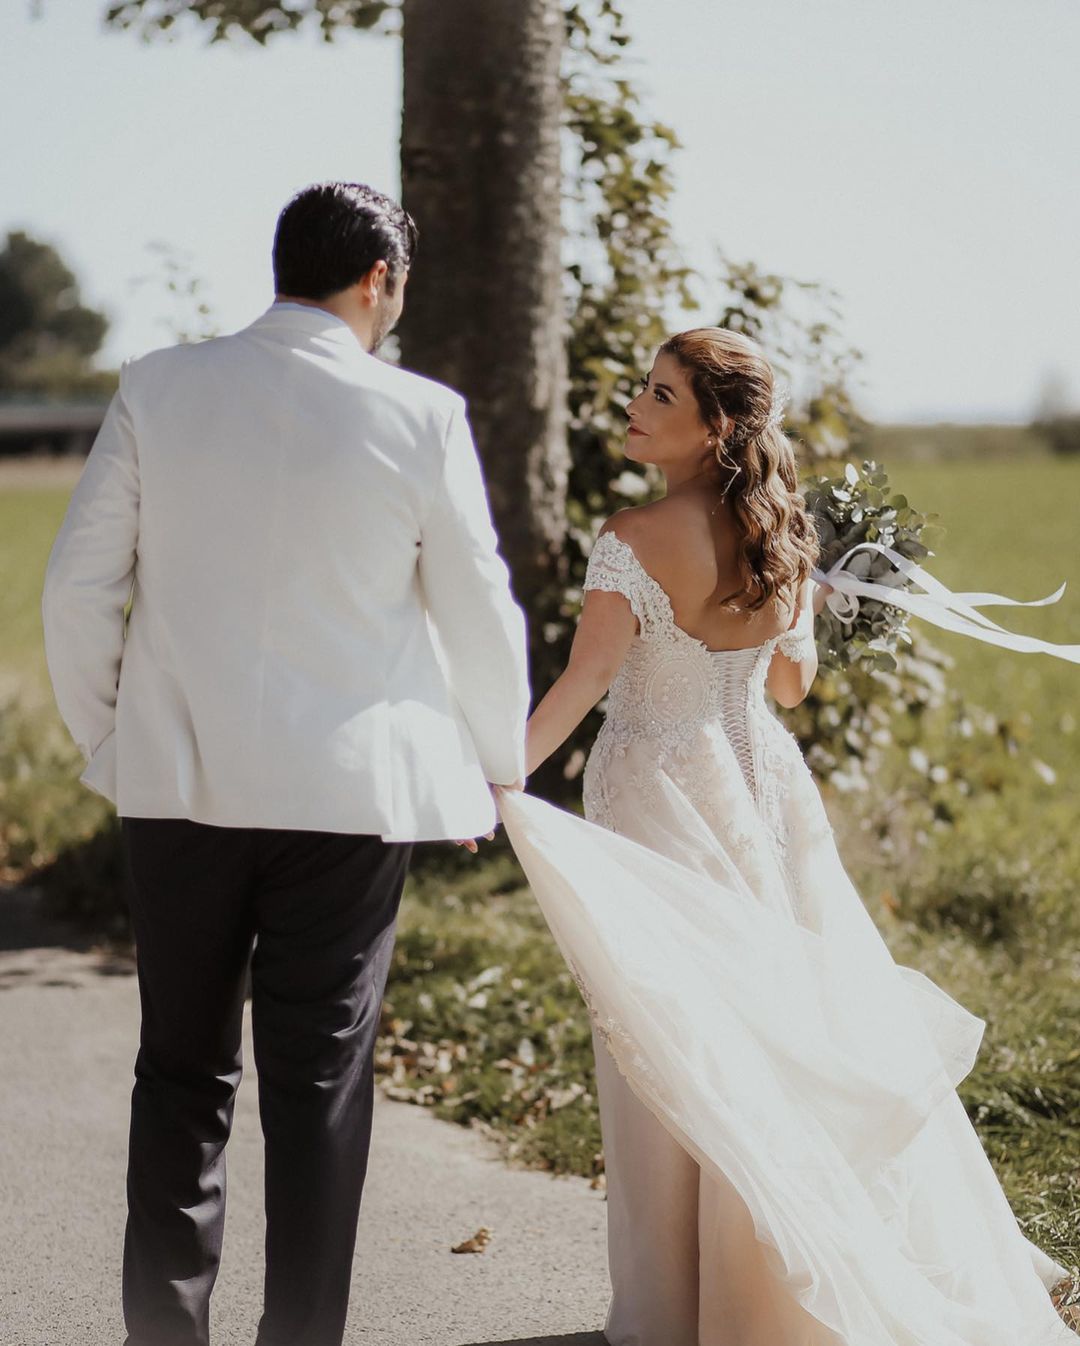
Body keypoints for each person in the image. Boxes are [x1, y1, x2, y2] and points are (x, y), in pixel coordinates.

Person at [497, 327, 1076, 1345]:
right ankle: (782, 1288)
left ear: (718, 424)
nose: (636, 404)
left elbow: (587, 684)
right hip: (765, 786)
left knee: (682, 1038)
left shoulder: (630, 536)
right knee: (786, 1029)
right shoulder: (782, 531)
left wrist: (496, 775)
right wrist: (821, 601)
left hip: (661, 791)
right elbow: (789, 685)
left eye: (662, 396)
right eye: (645, 387)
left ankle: (693, 1302)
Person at [41, 181, 530, 1346]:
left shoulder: (159, 386)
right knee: (319, 1089)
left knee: (180, 1075)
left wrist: (109, 737)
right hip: (347, 806)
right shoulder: (422, 417)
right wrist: (493, 768)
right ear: (379, 281)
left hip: (177, 788)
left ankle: (164, 1332)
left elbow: (75, 586)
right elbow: (481, 612)